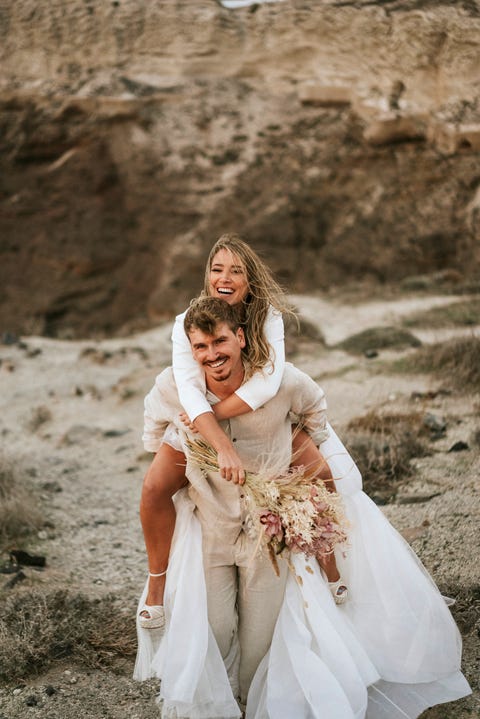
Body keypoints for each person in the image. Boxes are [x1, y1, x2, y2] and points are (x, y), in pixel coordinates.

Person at [134, 296, 471, 718]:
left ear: (240, 338)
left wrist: (296, 446)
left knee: (260, 644)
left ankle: (250, 705)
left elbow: (316, 411)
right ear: (190, 350)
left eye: (219, 342)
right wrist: (178, 449)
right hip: (213, 531)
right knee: (215, 635)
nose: (212, 355)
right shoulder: (172, 388)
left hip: (268, 539)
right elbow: (153, 433)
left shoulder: (283, 382)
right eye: (200, 347)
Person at [139, 234, 346, 630]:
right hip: (198, 416)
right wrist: (210, 433)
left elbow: (268, 384)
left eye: (237, 270)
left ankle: (329, 562)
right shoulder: (187, 320)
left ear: (250, 279)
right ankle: (156, 584)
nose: (225, 277)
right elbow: (187, 388)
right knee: (153, 487)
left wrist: (210, 414)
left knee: (319, 472)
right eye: (217, 268)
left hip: (257, 410)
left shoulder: (266, 316)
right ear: (207, 274)